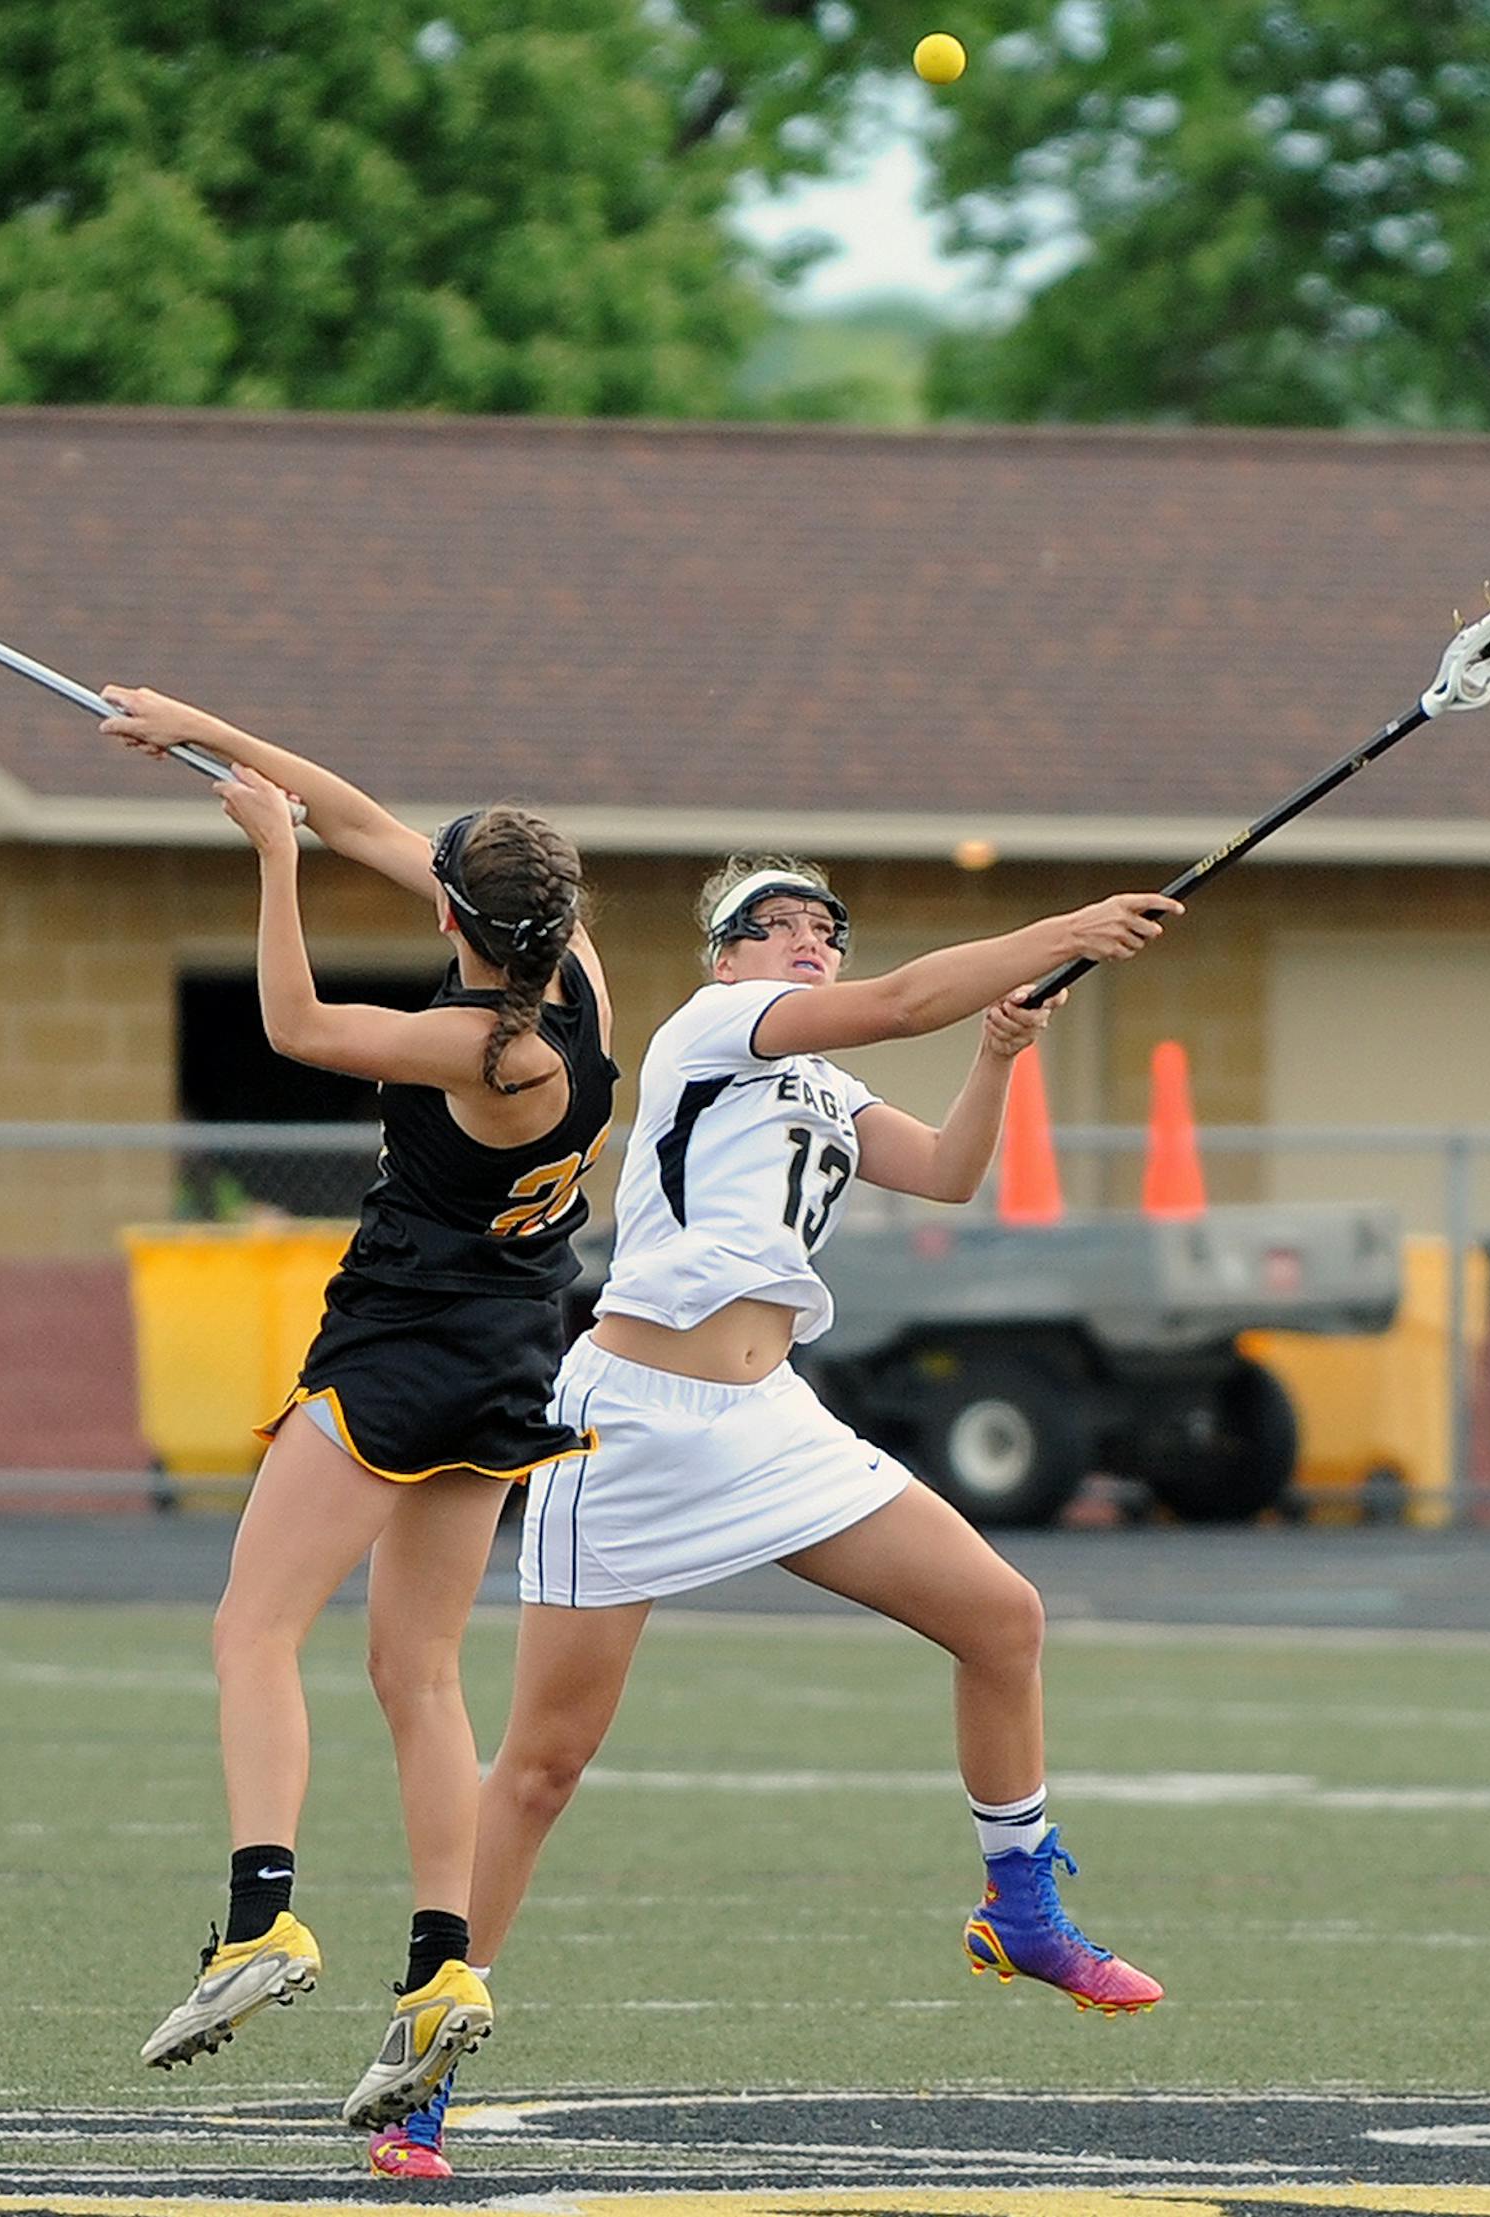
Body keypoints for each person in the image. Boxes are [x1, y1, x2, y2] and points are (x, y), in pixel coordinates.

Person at [389, 858, 1180, 2174]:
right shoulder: (712, 1027)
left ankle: (1022, 1906)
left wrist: (999, 1056)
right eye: (779, 925)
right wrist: (1070, 927)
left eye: (827, 927)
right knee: (541, 1769)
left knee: (1001, 1616)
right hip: (633, 1422)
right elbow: (910, 993)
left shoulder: (824, 1080)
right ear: (725, 958)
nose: (810, 941)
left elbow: (944, 1172)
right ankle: (416, 2073)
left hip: (770, 1423)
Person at [95, 688, 618, 2157]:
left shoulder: (483, 1053)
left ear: (456, 922)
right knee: (418, 1666)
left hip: (401, 1347)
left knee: (252, 1628)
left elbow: (293, 1023)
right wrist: (201, 731)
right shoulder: (571, 968)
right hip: (512, 1347)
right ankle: (444, 1956)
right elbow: (365, 817)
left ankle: (259, 1920)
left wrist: (270, 864)